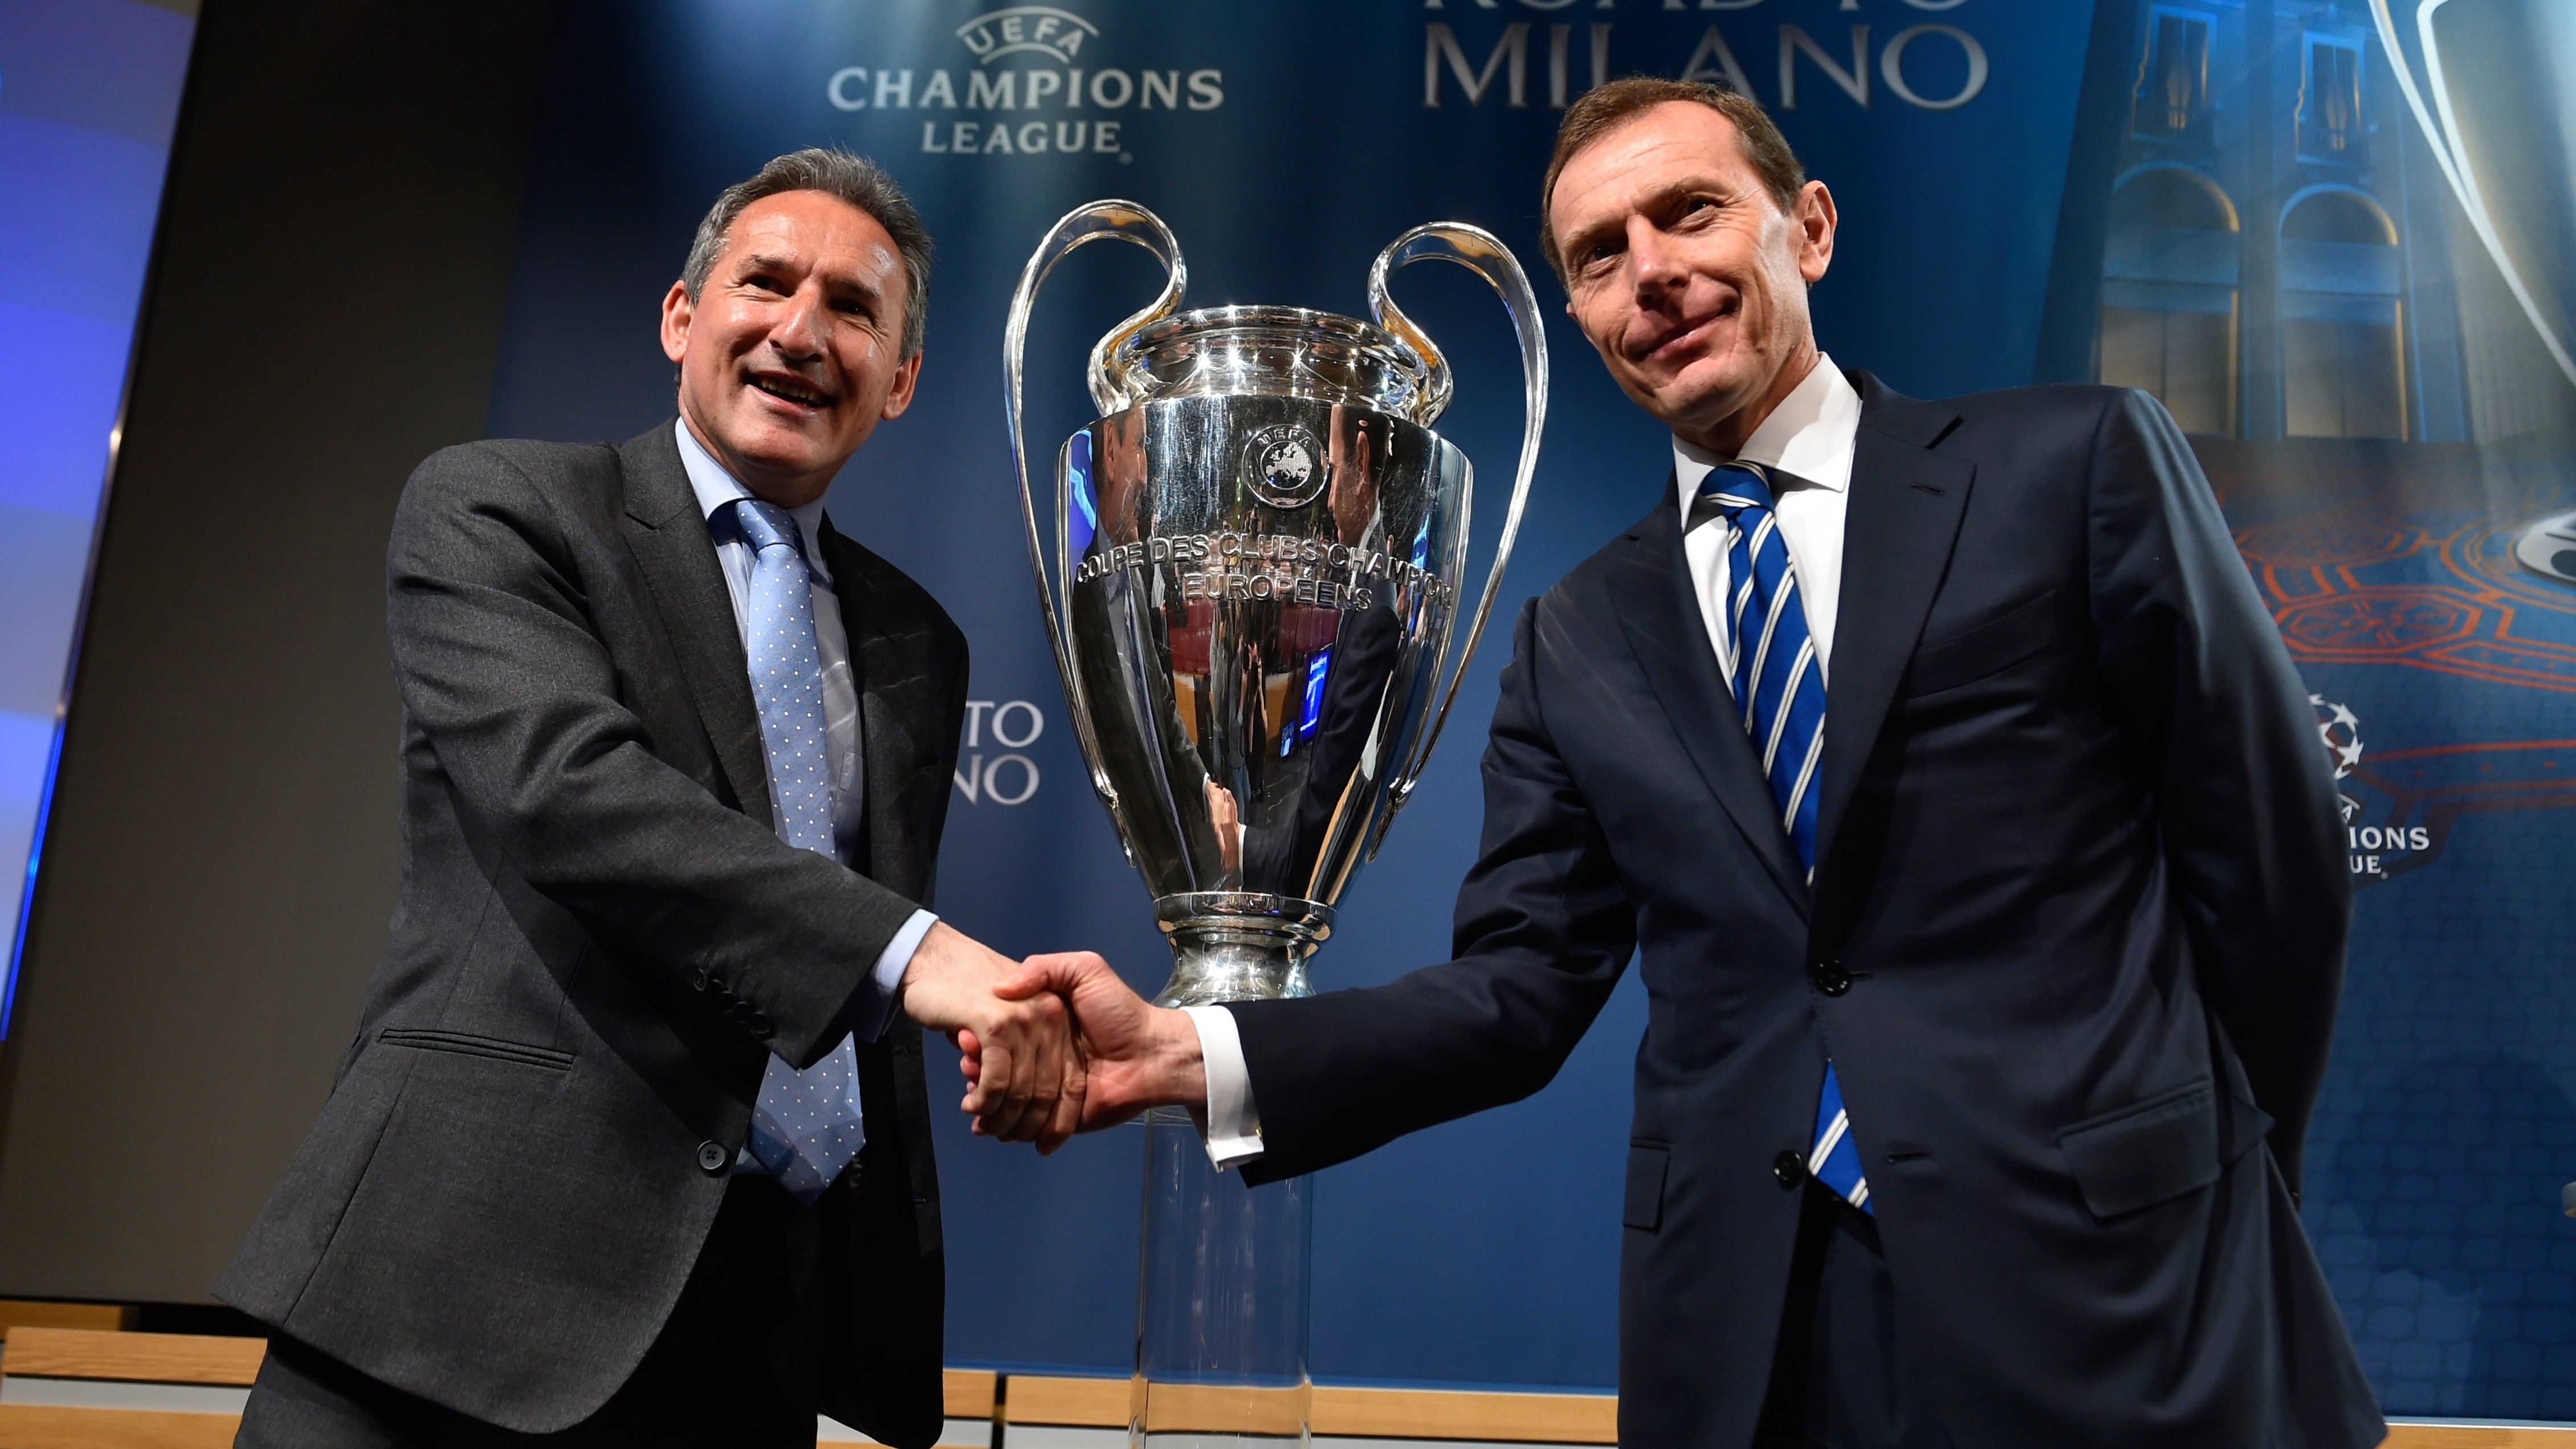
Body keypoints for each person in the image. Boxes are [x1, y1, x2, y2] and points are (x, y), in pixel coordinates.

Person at [1012, 81, 2386, 1448]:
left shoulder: (2073, 466)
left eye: (1688, 213)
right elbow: (1515, 993)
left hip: (2122, 1294)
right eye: (1600, 257)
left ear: (1809, 228)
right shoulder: (1577, 638)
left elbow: (2269, 867)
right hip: (1756, 1338)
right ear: (1583, 317)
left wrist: (2217, 1183)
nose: (1652, 274)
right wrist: (1192, 1054)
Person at [218, 149, 1077, 1449]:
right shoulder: (502, 506)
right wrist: (924, 962)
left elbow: (826, 950)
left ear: (899, 381)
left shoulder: (920, 639)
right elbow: (573, 797)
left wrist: (999, 1032)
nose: (801, 330)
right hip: (447, 1298)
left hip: (747, 1338)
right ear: (685, 316)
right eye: (765, 283)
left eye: (854, 308)